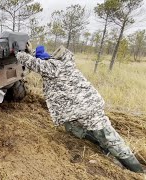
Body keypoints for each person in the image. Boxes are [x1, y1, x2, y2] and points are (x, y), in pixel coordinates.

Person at [15, 46, 144, 173]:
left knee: (108, 137)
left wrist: (17, 52)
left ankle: (136, 170)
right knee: (72, 128)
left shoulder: (54, 66)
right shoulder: (61, 63)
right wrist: (31, 52)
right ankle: (103, 147)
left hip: (88, 108)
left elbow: (33, 63)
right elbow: (38, 62)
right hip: (78, 109)